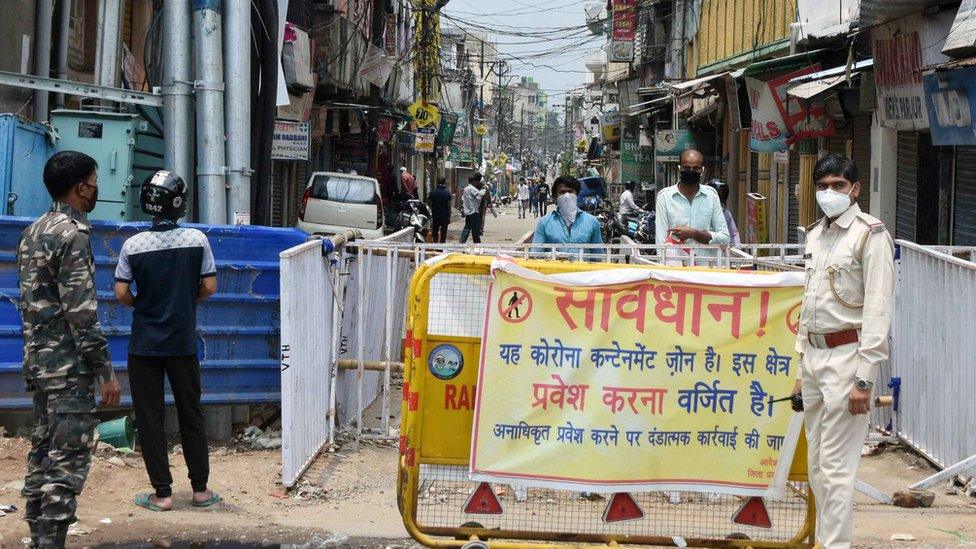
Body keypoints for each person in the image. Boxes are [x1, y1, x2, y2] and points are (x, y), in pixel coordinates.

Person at [19, 151, 122, 548]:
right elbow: (81, 313)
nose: (97, 189)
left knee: (42, 458)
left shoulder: (33, 231)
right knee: (66, 466)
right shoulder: (73, 235)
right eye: (95, 181)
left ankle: (38, 541)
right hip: (68, 371)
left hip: (39, 366)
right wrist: (106, 373)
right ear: (81, 187)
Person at [790, 154, 894, 549]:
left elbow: (878, 309)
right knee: (817, 469)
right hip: (815, 359)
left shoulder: (870, 234)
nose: (829, 193)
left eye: (838, 185)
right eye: (822, 186)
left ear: (855, 189)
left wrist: (865, 378)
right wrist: (801, 369)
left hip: (848, 358)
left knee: (835, 471)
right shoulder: (816, 235)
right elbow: (809, 306)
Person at [114, 171, 220, 512]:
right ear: (179, 203)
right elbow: (210, 287)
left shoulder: (132, 245)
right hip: (182, 343)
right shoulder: (197, 239)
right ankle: (201, 491)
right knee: (191, 413)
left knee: (150, 417)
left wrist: (141, 305)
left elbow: (120, 292)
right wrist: (187, 301)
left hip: (144, 344)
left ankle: (162, 494)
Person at [654, 149, 729, 259]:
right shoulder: (665, 197)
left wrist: (694, 233)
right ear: (679, 169)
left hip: (705, 268)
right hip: (676, 268)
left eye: (696, 168)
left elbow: (725, 238)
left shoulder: (711, 196)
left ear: (702, 170)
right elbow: (661, 242)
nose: (691, 171)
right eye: (687, 168)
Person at [531, 175, 604, 259]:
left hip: (583, 271)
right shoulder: (544, 222)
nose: (566, 195)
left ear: (577, 194)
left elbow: (598, 256)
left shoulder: (592, 221)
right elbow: (535, 254)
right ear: (555, 196)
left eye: (570, 192)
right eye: (562, 192)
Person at [706, 179, 740, 246]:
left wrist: (735, 247)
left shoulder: (726, 214)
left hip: (723, 252)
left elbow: (733, 234)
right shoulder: (702, 213)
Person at [460, 172, 488, 244]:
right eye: (476, 181)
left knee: (467, 228)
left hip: (468, 212)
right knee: (475, 230)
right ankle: (477, 244)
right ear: (473, 181)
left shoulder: (465, 189)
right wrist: (485, 189)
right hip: (474, 212)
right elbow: (480, 194)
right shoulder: (472, 189)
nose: (476, 183)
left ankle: (461, 243)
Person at [427, 179, 453, 243]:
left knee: (435, 232)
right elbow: (449, 206)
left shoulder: (433, 192)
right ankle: (441, 247)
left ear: (437, 182)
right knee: (443, 233)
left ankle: (436, 245)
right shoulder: (447, 193)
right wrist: (449, 216)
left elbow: (428, 203)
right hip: (445, 216)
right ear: (444, 183)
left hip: (435, 216)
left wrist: (431, 210)